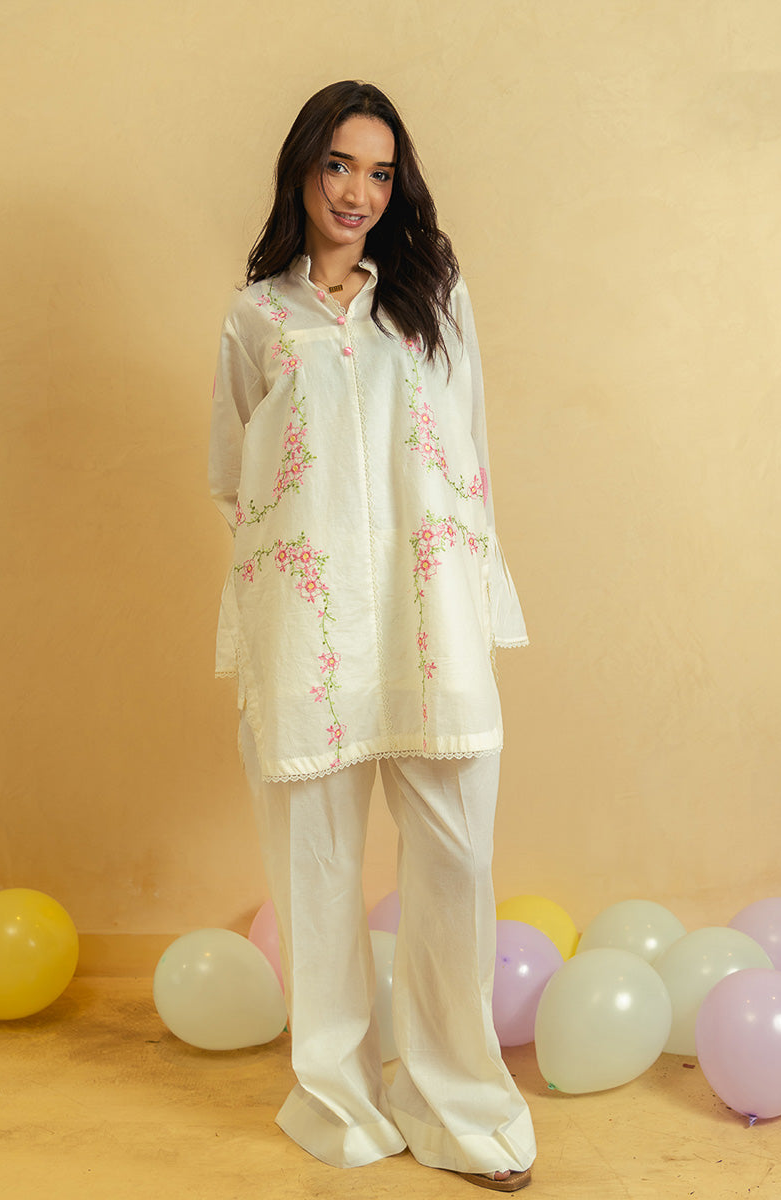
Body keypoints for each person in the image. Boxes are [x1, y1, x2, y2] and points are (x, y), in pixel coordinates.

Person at [208, 80, 535, 1192]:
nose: (357, 192)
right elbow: (233, 474)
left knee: (457, 862)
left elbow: (470, 448)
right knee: (316, 869)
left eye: (380, 172)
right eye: (339, 165)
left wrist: (459, 585)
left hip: (428, 617)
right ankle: (341, 1105)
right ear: (303, 170)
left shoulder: (434, 296)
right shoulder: (257, 317)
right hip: (310, 626)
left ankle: (461, 1110)